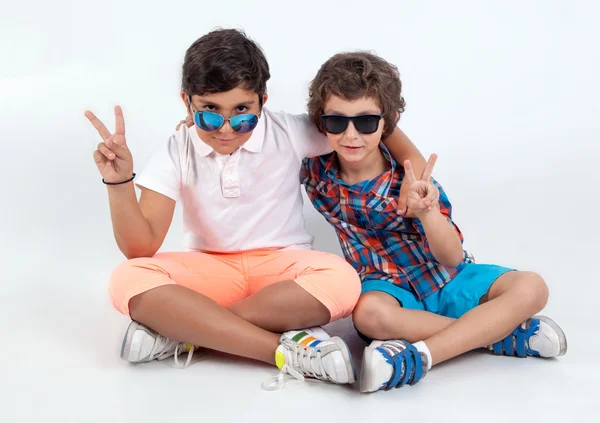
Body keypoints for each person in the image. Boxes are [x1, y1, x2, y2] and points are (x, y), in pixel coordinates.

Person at [84, 28, 426, 390]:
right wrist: (119, 182)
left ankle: (188, 331)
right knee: (128, 278)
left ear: (263, 100)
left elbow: (363, 121)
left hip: (283, 271)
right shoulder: (177, 149)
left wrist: (412, 165)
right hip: (210, 272)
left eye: (243, 112)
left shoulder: (289, 131)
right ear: (187, 102)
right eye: (210, 113)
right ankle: (282, 350)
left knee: (342, 280)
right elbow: (140, 248)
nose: (227, 128)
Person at [301, 51, 567, 393]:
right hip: (389, 291)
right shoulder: (316, 171)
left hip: (447, 278)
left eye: (366, 122)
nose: (351, 134)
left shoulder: (412, 179)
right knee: (367, 317)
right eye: (338, 122)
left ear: (386, 123)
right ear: (322, 122)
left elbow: (453, 257)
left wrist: (427, 212)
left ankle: (423, 355)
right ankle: (497, 334)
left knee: (532, 286)